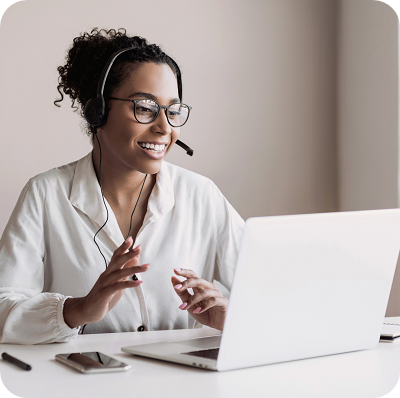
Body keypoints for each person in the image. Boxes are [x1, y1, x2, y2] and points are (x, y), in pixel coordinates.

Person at [0, 28, 244, 344]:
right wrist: (78, 310)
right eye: (145, 108)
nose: (164, 128)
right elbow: (3, 307)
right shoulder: (46, 194)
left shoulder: (202, 195)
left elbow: (272, 296)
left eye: (172, 111)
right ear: (98, 111)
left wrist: (230, 317)